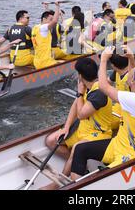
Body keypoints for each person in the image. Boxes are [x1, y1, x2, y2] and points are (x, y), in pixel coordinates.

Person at [69, 47, 135, 180]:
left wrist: (103, 59)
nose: (128, 73)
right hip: (118, 143)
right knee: (80, 149)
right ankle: (75, 182)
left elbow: (104, 87)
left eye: (130, 75)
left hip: (131, 150)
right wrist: (131, 58)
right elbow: (133, 73)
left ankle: (77, 188)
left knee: (102, 176)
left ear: (133, 81)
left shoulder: (134, 100)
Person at [43, 57, 113, 188]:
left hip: (98, 134)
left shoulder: (99, 93)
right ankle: (79, 163)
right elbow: (75, 106)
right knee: (51, 141)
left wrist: (80, 94)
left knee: (77, 148)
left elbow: (80, 114)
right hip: (82, 129)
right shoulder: (87, 86)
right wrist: (66, 127)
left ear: (80, 76)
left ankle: (58, 184)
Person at [31, 2, 62, 69]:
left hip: (37, 62)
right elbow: (54, 21)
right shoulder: (43, 28)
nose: (51, 22)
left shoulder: (35, 27)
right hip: (45, 63)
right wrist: (57, 6)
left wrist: (46, 8)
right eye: (50, 20)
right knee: (63, 63)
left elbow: (46, 17)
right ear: (44, 19)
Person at [108, 51, 132, 130]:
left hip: (128, 111)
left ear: (113, 66)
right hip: (119, 106)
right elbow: (107, 83)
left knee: (104, 122)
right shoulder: (117, 72)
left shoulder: (130, 78)